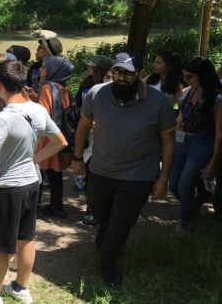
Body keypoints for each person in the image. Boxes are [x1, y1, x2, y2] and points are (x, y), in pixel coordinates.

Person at [0, 61, 67, 304]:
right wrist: (34, 159)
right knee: (26, 238)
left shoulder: (4, 117)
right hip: (32, 183)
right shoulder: (38, 109)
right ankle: (21, 287)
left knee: (0, 246)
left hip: (9, 188)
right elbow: (60, 142)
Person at [72, 52, 176, 288]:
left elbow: (168, 141)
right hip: (100, 168)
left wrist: (164, 176)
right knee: (100, 212)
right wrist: (78, 157)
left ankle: (108, 262)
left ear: (138, 74)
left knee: (121, 222)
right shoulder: (97, 93)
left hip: (137, 174)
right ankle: (106, 233)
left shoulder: (158, 102)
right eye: (117, 72)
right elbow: (83, 125)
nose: (120, 78)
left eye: (127, 74)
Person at [169, 56, 222, 234]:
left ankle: (183, 221)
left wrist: (213, 162)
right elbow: (182, 116)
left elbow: (219, 134)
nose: (186, 80)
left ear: (203, 75)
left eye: (190, 76)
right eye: (184, 76)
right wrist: (176, 127)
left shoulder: (216, 99)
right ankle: (192, 209)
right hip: (182, 140)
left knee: (185, 185)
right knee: (174, 184)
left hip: (201, 144)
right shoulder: (187, 92)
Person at [75, 56, 113, 225]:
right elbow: (78, 103)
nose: (90, 69)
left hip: (102, 135)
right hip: (86, 133)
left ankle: (97, 209)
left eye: (94, 67)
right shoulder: (86, 83)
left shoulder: (110, 90)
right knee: (88, 172)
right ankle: (91, 209)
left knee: (98, 173)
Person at [36, 56, 74, 219]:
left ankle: (50, 205)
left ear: (53, 71)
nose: (40, 69)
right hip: (61, 133)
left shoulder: (47, 87)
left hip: (48, 137)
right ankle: (56, 205)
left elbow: (42, 111)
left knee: (43, 169)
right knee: (55, 173)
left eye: (44, 67)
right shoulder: (63, 87)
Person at [26, 30, 63, 95]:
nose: (37, 49)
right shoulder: (35, 66)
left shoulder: (55, 70)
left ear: (48, 51)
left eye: (40, 47)